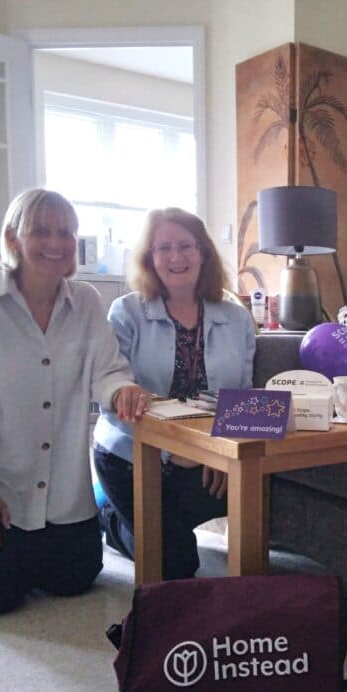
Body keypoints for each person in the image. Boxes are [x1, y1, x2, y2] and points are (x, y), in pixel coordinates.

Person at [0, 188, 151, 615]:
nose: (56, 242)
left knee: (74, 581)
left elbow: (107, 370)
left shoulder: (85, 301)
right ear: (13, 239)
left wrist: (123, 391)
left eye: (66, 232)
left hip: (60, 491)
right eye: (41, 231)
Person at [93, 207, 256, 579]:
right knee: (177, 566)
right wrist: (171, 450)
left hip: (205, 457)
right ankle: (112, 522)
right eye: (163, 248)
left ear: (204, 253)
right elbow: (109, 397)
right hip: (131, 456)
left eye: (186, 246)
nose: (176, 257)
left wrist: (228, 454)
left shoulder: (237, 317)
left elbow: (242, 396)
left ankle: (151, 524)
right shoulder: (126, 312)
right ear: (150, 257)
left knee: (175, 534)